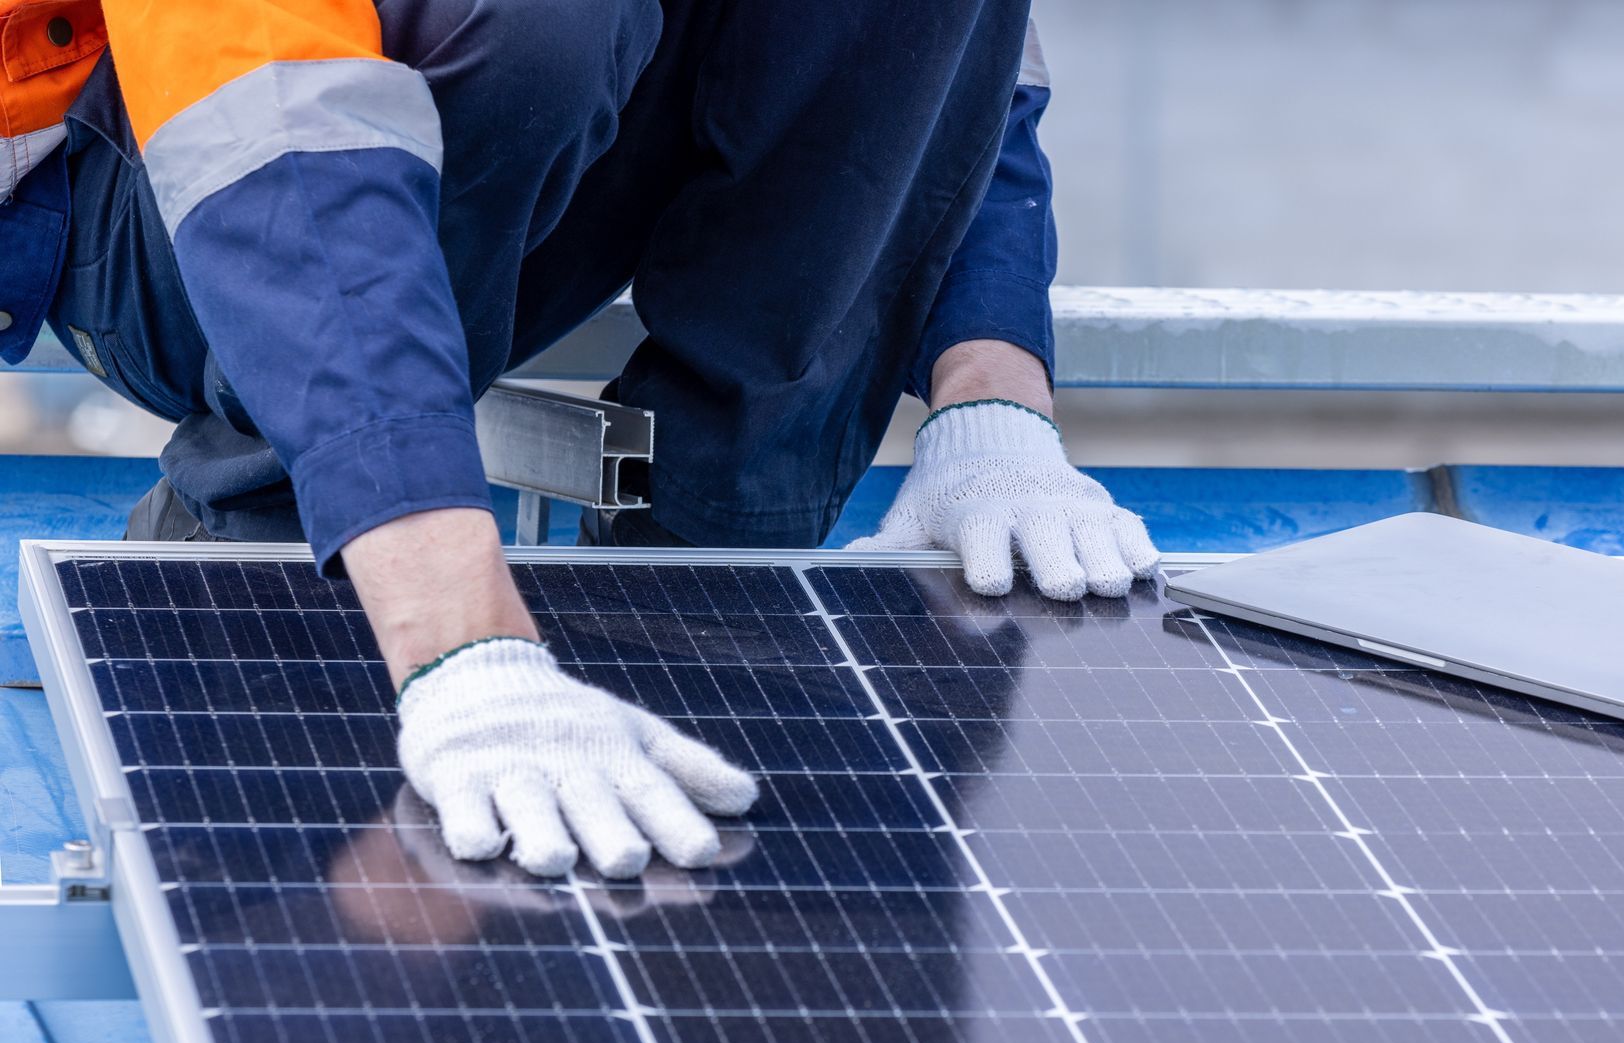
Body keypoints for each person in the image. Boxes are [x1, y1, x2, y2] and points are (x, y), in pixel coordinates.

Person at [0, 0, 1160, 879]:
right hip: (162, 190)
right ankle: (273, 547)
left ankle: (696, 586)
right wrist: (456, 637)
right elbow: (269, 114)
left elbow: (951, 65)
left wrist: (992, 396)